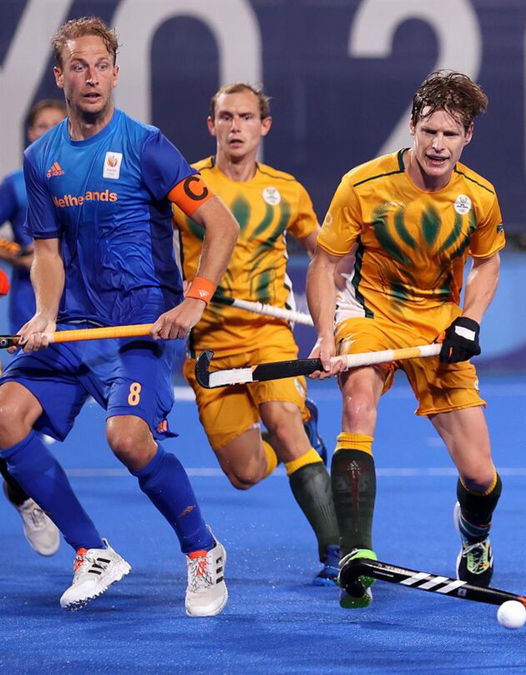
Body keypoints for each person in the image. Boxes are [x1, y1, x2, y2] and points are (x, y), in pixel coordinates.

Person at [0, 17, 239, 614]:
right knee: (3, 419)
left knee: (128, 440)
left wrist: (195, 299)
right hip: (77, 325)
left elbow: (221, 225)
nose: (91, 77)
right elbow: (48, 252)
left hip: (144, 323)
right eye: (78, 66)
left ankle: (201, 551)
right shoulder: (41, 158)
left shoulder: (146, 145)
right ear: (60, 76)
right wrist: (46, 313)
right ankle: (91, 552)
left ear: (115, 72)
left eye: (101, 65)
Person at [307, 70, 504, 608]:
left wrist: (470, 320)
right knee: (358, 401)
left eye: (450, 135)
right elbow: (324, 265)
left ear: (468, 138)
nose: (438, 145)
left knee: (481, 476)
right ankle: (356, 555)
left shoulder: (480, 197)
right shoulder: (363, 185)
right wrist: (326, 335)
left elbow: (487, 265)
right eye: (430, 132)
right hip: (371, 314)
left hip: (440, 327)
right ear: (413, 127)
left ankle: (475, 539)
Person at [172, 83, 339, 585]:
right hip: (211, 347)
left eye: (246, 117)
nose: (235, 126)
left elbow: (324, 254)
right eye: (226, 117)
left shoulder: (287, 191)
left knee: (283, 422)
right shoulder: (187, 186)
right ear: (212, 125)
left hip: (269, 331)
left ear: (264, 126)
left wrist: (343, 288)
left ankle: (338, 553)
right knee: (245, 473)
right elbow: (156, 248)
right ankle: (307, 436)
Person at [0, 99, 66, 557]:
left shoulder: (81, 180)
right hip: (31, 314)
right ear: (28, 134)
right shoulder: (16, 185)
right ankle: (26, 497)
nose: (45, 132)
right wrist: (16, 253)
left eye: (54, 126)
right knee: (9, 421)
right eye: (39, 126)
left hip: (87, 318)